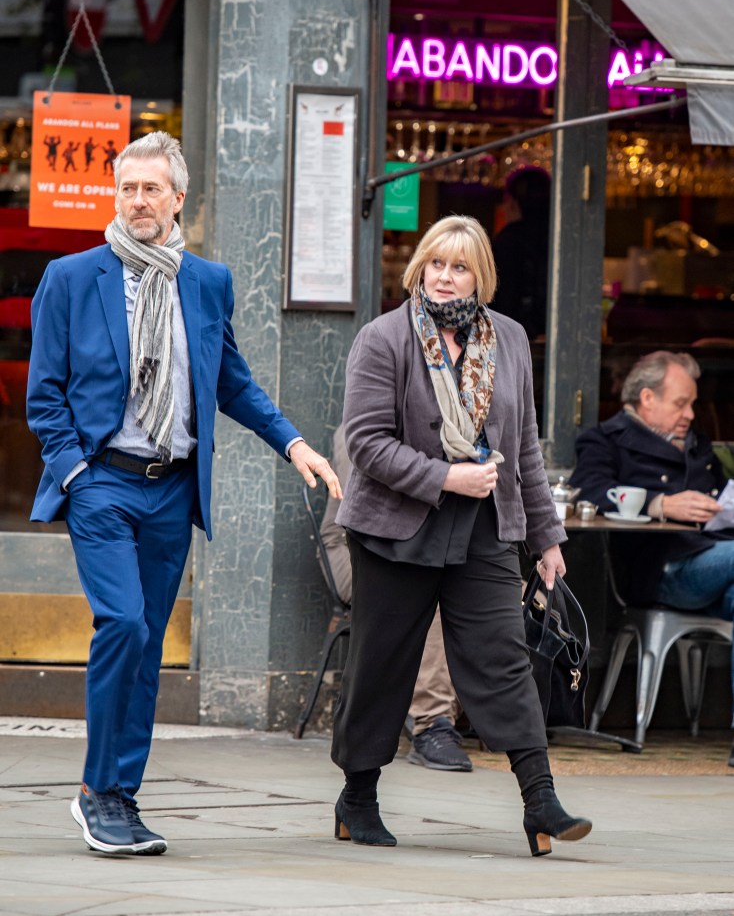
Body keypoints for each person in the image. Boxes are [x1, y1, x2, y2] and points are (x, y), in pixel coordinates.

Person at [26, 131, 341, 856]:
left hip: (171, 490)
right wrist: (74, 473)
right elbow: (44, 395)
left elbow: (230, 380)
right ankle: (95, 791)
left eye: (151, 189)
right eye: (127, 187)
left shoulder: (206, 281)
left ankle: (122, 798)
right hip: (102, 482)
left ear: (178, 198)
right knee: (125, 626)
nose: (138, 200)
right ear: (117, 191)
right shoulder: (72, 278)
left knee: (146, 652)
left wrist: (293, 442)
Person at [330, 214, 592, 857]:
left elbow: (524, 447)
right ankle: (357, 797)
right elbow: (365, 443)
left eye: (461, 266)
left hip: (483, 532)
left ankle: (540, 801)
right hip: (395, 530)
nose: (446, 278)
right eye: (436, 264)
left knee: (504, 660)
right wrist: (447, 476)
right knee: (382, 666)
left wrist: (547, 538)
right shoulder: (383, 339)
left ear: (482, 275)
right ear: (418, 268)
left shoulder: (507, 338)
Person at [569, 350, 734, 767]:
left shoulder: (695, 446)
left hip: (716, 559)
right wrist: (661, 505)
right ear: (647, 398)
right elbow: (587, 491)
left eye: (692, 403)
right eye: (682, 403)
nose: (691, 414)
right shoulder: (605, 440)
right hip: (660, 570)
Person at [319, 424, 471, 772]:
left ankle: (490, 717)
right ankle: (431, 723)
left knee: (515, 592)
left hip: (429, 542)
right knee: (427, 592)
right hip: (354, 546)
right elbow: (379, 493)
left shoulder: (450, 423)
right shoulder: (357, 429)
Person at [490, 166, 551, 342]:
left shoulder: (506, 242)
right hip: (550, 339)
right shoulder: (558, 239)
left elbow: (499, 298)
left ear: (512, 201)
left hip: (509, 340)